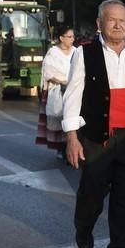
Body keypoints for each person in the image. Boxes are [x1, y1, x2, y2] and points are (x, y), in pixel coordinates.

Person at [62, 0, 125, 248]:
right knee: (93, 193)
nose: (119, 25)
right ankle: (84, 228)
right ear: (100, 23)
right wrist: (72, 138)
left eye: (123, 20)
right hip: (97, 137)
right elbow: (73, 95)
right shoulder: (84, 52)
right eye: (112, 20)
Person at [36, 26, 76, 158]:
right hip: (58, 90)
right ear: (61, 38)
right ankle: (62, 147)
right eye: (69, 37)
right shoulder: (53, 52)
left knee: (73, 119)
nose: (72, 39)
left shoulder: (76, 52)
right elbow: (49, 72)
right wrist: (62, 81)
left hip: (73, 89)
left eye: (73, 37)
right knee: (59, 118)